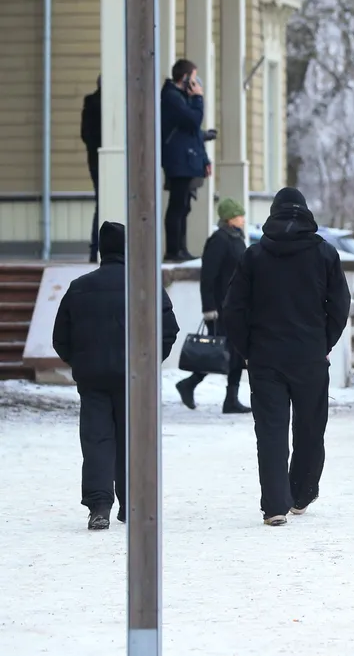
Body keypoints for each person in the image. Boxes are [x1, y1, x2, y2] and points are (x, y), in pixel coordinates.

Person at [223, 187, 350, 526]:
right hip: (309, 355)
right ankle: (302, 491)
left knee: (270, 431)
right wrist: (325, 342)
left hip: (266, 358)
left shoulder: (254, 256)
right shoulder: (324, 254)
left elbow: (233, 310)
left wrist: (248, 350)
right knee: (310, 428)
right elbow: (339, 306)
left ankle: (275, 505)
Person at [52, 222, 179, 530]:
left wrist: (80, 362)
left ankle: (99, 506)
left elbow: (61, 337)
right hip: (134, 376)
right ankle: (132, 505)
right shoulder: (145, 285)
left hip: (93, 378)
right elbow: (168, 331)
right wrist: (148, 365)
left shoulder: (79, 286)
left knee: (96, 440)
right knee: (132, 439)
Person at [176, 197, 250, 414]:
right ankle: (189, 384)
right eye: (239, 215)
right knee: (219, 353)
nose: (243, 219)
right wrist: (209, 308)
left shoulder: (237, 238)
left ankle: (230, 399)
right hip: (221, 308)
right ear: (228, 218)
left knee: (235, 353)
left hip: (237, 307)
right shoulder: (219, 240)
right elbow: (208, 277)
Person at [160, 59, 211, 262]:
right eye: (193, 78)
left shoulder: (182, 98)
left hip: (188, 159)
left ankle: (182, 248)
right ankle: (173, 250)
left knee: (185, 206)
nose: (196, 82)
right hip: (178, 160)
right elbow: (193, 120)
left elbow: (194, 132)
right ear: (185, 78)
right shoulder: (172, 97)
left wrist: (204, 160)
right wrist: (198, 98)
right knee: (177, 205)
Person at [81, 77, 101, 263]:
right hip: (101, 161)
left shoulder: (89, 104)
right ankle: (97, 249)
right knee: (103, 204)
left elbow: (85, 135)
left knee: (100, 204)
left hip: (94, 160)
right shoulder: (103, 105)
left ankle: (95, 250)